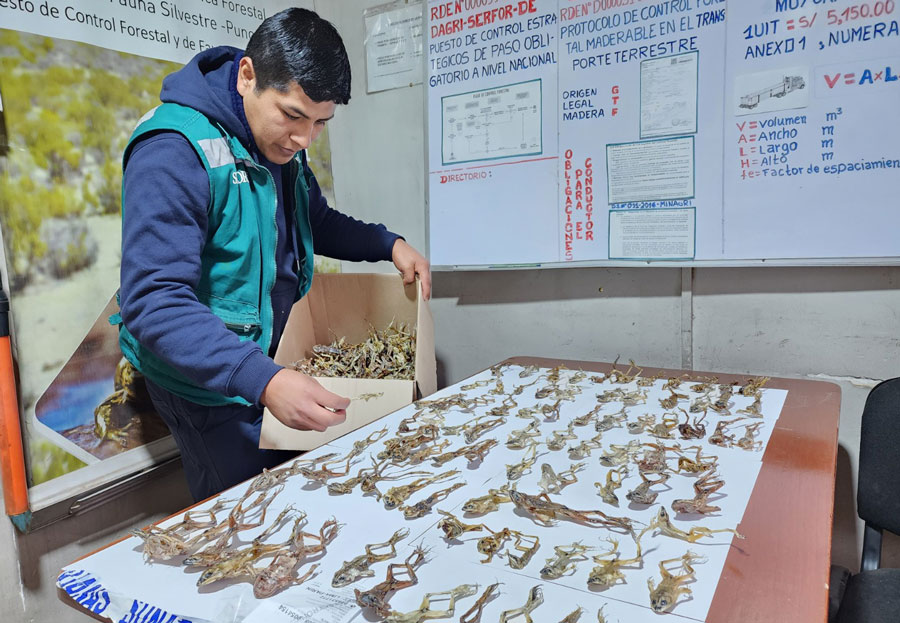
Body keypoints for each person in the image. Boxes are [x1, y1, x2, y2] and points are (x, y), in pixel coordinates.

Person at [115, 8, 430, 501]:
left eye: (321, 123)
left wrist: (386, 243)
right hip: (207, 384)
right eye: (293, 116)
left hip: (269, 363)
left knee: (294, 494)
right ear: (248, 76)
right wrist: (264, 381)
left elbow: (313, 218)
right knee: (241, 508)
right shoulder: (172, 150)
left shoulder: (280, 142)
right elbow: (154, 301)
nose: (304, 139)